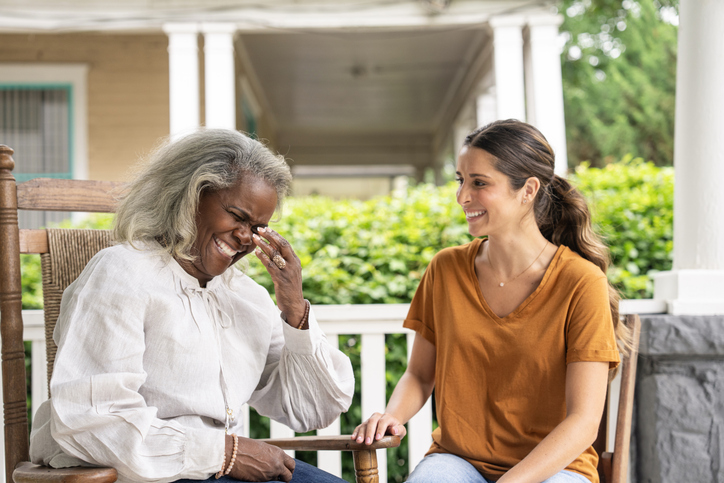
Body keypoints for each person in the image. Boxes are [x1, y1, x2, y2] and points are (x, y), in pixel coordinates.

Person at [29, 129, 355, 483]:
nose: (246, 237)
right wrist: (223, 453)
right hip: (144, 473)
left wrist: (295, 309)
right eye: (236, 215)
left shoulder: (246, 298)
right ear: (189, 196)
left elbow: (312, 409)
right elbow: (91, 417)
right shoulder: (122, 272)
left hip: (220, 470)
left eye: (258, 227)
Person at [353, 119, 630, 483]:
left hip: (556, 468)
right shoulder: (446, 269)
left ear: (528, 189)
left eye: (479, 183)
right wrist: (392, 415)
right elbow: (420, 375)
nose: (462, 196)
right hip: (458, 460)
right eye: (460, 180)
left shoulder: (580, 282)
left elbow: (583, 421)